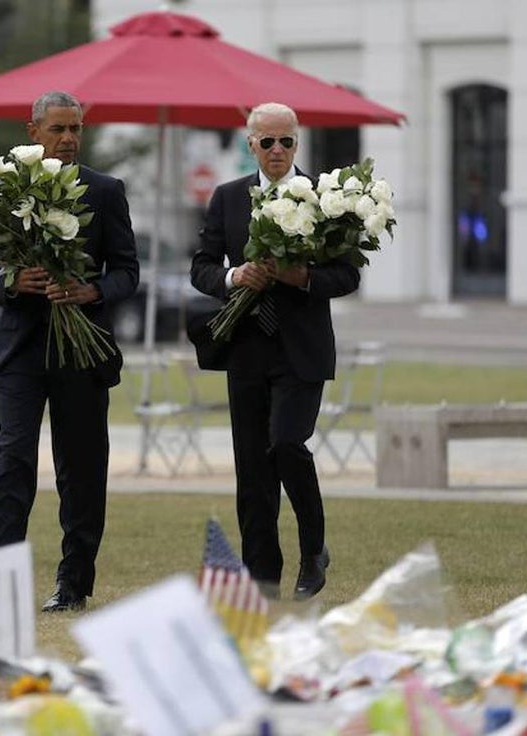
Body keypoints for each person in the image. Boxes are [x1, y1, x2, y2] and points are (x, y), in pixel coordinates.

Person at [0, 91, 139, 612]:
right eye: (58, 129)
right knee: (13, 459)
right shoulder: (0, 191)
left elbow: (128, 271)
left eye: (76, 129)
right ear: (33, 130)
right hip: (20, 352)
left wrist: (93, 291)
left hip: (82, 353)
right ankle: (0, 582)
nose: (68, 139)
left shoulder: (106, 191)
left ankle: (74, 584)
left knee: (81, 470)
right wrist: (12, 281)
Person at [189, 102, 360, 601]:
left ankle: (314, 552)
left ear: (297, 143)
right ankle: (262, 579)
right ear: (251, 146)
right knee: (253, 470)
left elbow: (347, 274)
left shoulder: (325, 198)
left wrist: (300, 276)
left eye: (286, 141)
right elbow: (200, 266)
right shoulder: (226, 199)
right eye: (268, 142)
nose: (278, 151)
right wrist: (233, 276)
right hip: (246, 349)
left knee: (286, 444)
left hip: (301, 350)